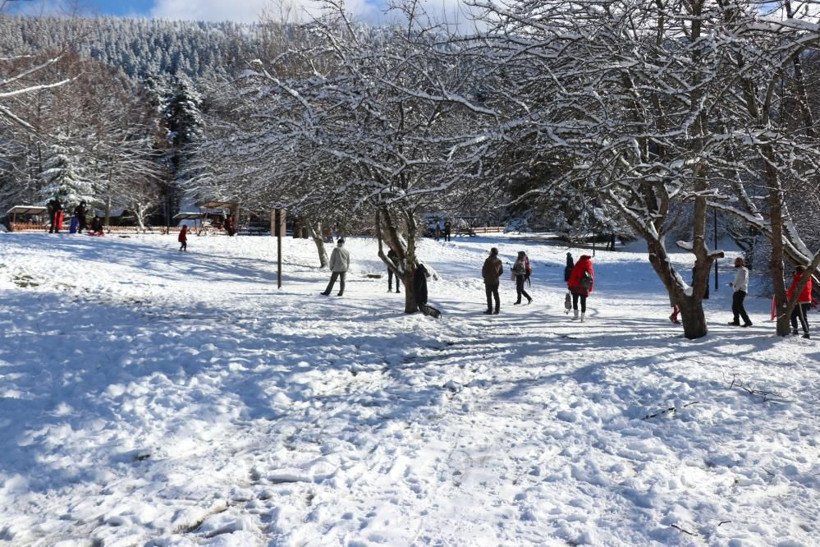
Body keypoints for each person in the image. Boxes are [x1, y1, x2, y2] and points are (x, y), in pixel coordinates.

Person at [786, 265, 812, 338]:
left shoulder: (800, 279)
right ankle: (795, 329)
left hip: (801, 300)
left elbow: (794, 289)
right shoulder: (806, 278)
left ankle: (806, 333)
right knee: (793, 315)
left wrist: (787, 294)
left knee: (802, 317)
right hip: (802, 300)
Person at [567, 254, 594, 321]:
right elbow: (591, 279)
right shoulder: (589, 267)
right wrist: (590, 288)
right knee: (583, 302)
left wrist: (569, 284)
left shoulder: (578, 266)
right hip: (584, 287)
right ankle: (582, 317)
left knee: (575, 301)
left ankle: (576, 316)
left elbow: (573, 276)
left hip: (575, 287)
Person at [728, 256, 752, 327]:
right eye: (735, 261)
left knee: (739, 306)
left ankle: (747, 321)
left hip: (740, 290)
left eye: (737, 262)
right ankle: (736, 321)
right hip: (738, 290)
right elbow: (739, 280)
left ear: (741, 262)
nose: (735, 263)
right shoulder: (740, 270)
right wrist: (733, 284)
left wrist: (737, 288)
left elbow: (742, 280)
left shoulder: (743, 270)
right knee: (735, 307)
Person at [482, 247, 503, 314]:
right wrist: (496, 276)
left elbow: (484, 270)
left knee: (489, 296)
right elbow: (501, 271)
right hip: (496, 280)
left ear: (492, 252)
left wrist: (484, 276)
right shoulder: (499, 261)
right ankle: (497, 310)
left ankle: (490, 309)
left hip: (488, 280)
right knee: (496, 295)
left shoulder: (488, 260)